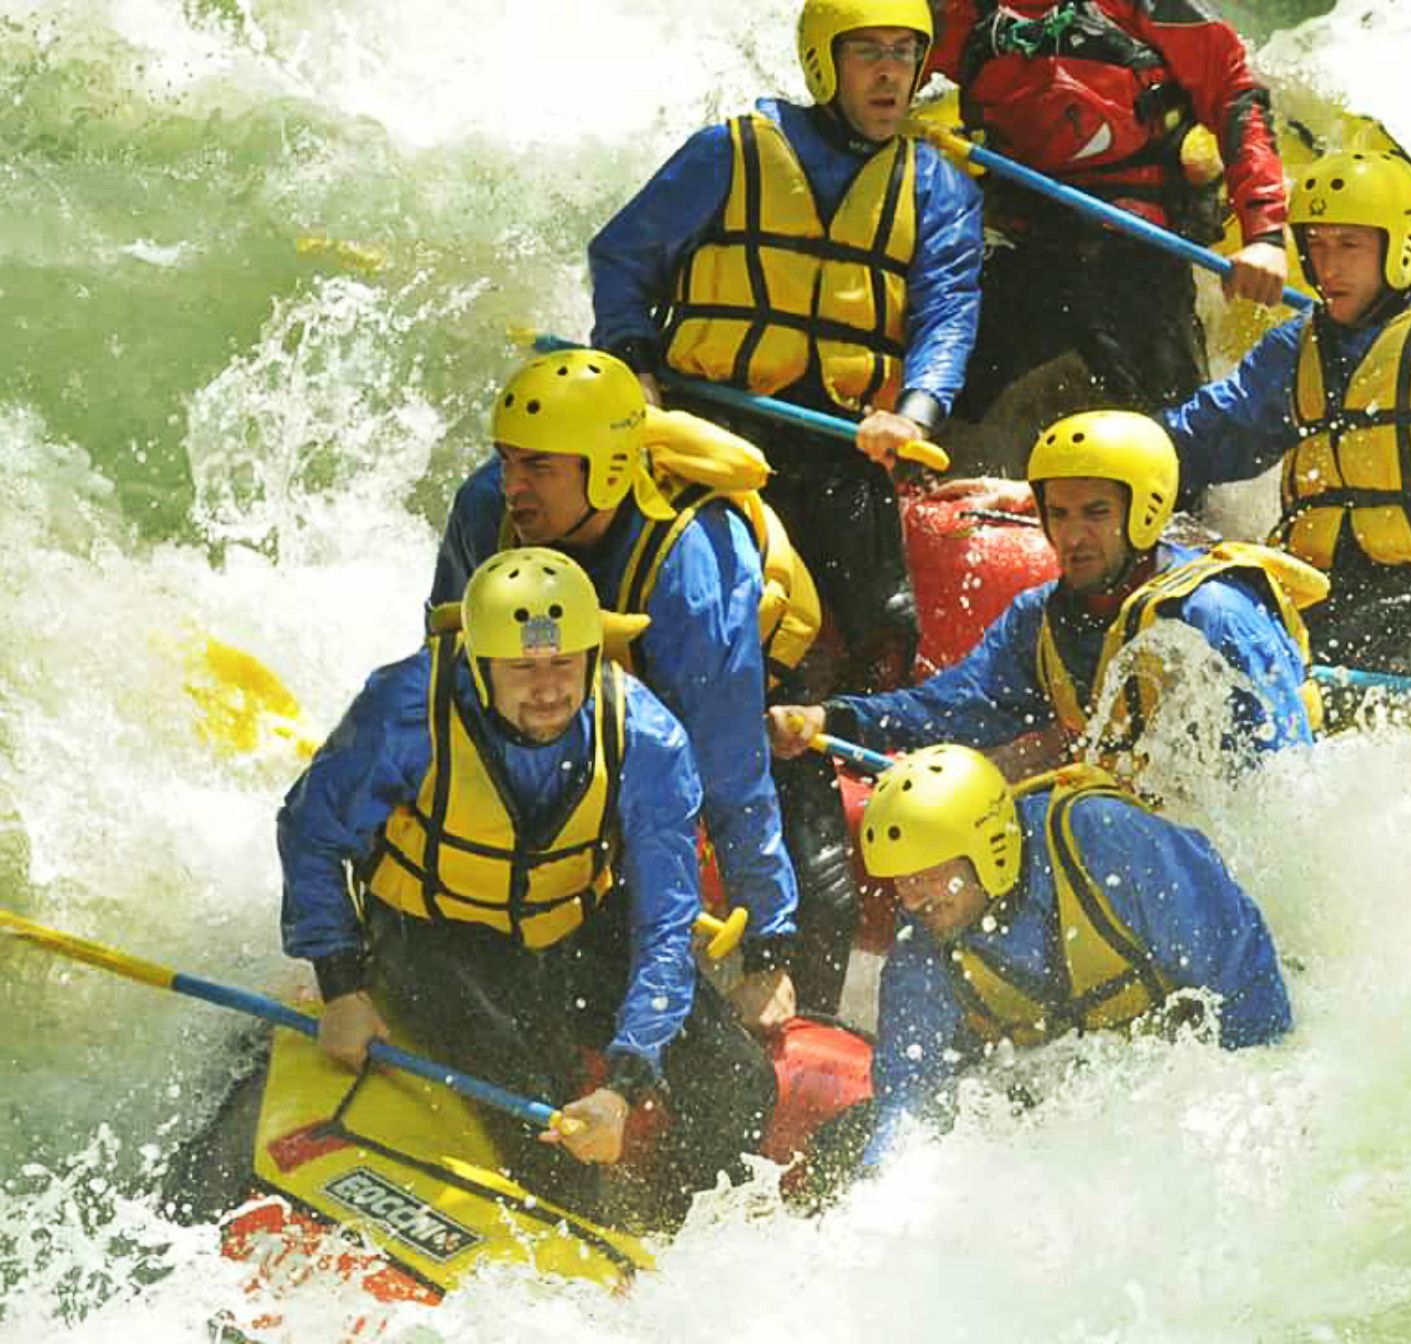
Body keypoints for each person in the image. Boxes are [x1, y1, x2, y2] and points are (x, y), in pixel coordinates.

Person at [278, 548, 776, 1225]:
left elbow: (664, 925)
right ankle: (583, 1236)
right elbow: (311, 830)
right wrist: (340, 984)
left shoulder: (649, 740)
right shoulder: (405, 709)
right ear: (481, 667)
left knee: (736, 1079)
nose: (547, 687)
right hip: (433, 938)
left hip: (569, 925)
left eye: (563, 663)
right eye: (522, 667)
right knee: (547, 1125)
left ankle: (682, 1228)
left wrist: (626, 1082)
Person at [430, 351, 866, 1018]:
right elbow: (449, 673)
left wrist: (769, 951)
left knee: (824, 894)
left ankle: (801, 1006)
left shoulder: (691, 571)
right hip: (583, 691)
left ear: (604, 470)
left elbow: (731, 775)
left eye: (538, 468)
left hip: (743, 687)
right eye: (508, 459)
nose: (514, 484)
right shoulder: (485, 508)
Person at [589, 0, 984, 696]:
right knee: (715, 601)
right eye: (868, 52)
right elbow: (622, 258)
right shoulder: (729, 152)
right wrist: (637, 368)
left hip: (841, 439)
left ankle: (848, 746)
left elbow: (947, 315)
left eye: (904, 52)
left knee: (887, 623)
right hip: (713, 419)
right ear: (822, 62)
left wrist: (913, 416)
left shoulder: (937, 186)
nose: (891, 73)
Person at [1159, 150, 1411, 708]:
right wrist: (1094, 473)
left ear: (1398, 246)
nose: (1328, 268)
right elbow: (1202, 434)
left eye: (1349, 245)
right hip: (1316, 591)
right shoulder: (1293, 349)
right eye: (1316, 245)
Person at [768, 409, 1321, 783]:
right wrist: (832, 719)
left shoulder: (1214, 615)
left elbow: (1284, 785)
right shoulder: (1040, 619)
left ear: (1146, 512)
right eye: (1058, 514)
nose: (1071, 537)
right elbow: (951, 707)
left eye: (1096, 514)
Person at [855, 744, 1292, 1165]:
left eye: (927, 876)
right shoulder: (926, 932)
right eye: (900, 882)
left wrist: (1261, 1103)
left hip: (1191, 1062)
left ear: (988, 851)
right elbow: (908, 1087)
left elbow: (1239, 966)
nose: (911, 901)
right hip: (1090, 1107)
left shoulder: (1105, 840)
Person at [925, 0, 1291, 425]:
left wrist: (1264, 235)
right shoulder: (960, 16)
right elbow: (883, 64)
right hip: (1024, 246)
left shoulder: (1150, 8)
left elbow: (1237, 94)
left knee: (1172, 425)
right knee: (946, 396)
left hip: (1138, 248)